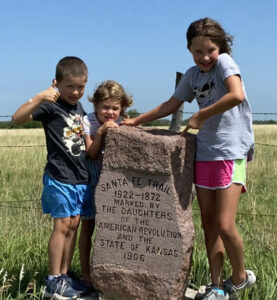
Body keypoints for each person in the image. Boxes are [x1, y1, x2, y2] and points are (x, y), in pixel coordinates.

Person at [121, 18, 256, 300]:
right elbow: (171, 105)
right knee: (208, 223)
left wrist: (201, 115)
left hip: (230, 153)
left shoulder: (225, 64)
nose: (205, 57)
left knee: (225, 224)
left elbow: (236, 94)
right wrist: (136, 121)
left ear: (220, 47)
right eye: (197, 52)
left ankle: (241, 277)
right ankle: (217, 286)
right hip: (204, 153)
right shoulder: (193, 75)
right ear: (189, 51)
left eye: (210, 50)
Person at [12, 56, 92, 299]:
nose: (76, 92)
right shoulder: (50, 105)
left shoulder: (79, 108)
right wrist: (38, 97)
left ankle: (65, 276)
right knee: (61, 226)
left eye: (81, 87)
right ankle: (53, 280)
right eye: (70, 87)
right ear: (56, 83)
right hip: (59, 176)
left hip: (80, 177)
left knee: (74, 225)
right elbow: (17, 118)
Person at [79, 80, 133, 286]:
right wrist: (101, 132)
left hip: (117, 184)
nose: (110, 112)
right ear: (96, 106)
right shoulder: (88, 121)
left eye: (115, 108)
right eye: (106, 107)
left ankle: (113, 272)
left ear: (122, 108)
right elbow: (92, 154)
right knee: (88, 226)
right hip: (93, 179)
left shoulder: (124, 123)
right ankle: (86, 272)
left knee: (115, 229)